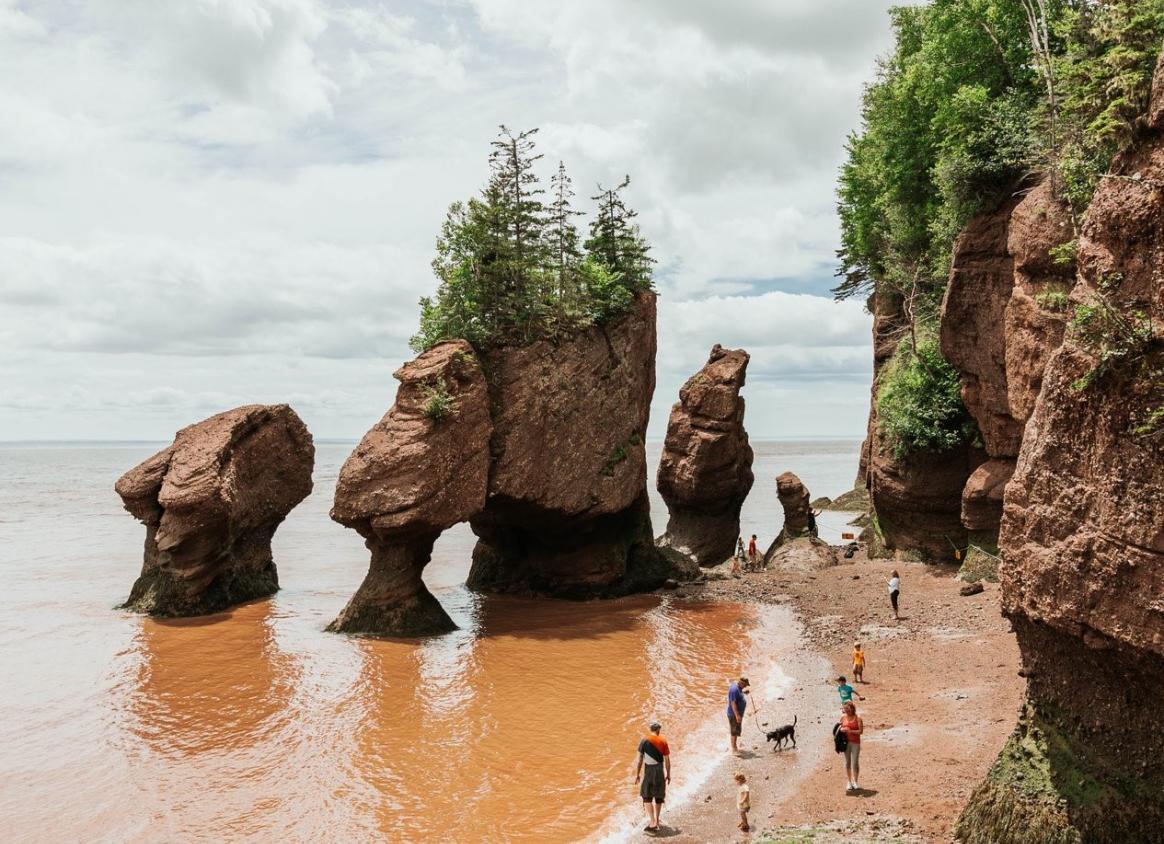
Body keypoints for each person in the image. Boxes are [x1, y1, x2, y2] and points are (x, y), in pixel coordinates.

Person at [633, 721, 671, 833]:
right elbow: (667, 760)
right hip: (659, 770)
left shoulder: (644, 741)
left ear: (651, 730)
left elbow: (640, 760)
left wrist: (637, 775)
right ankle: (657, 820)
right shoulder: (663, 741)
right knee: (659, 796)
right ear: (658, 730)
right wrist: (668, 774)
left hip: (648, 770)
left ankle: (652, 821)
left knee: (646, 795)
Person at [840, 701, 864, 791]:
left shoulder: (858, 718)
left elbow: (861, 731)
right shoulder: (843, 717)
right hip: (845, 743)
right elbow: (839, 728)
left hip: (855, 743)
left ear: (852, 709)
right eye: (845, 709)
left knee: (855, 763)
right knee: (847, 763)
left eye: (848, 709)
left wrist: (851, 731)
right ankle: (849, 781)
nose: (846, 711)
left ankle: (855, 781)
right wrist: (843, 729)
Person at [727, 676, 750, 754]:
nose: (745, 686)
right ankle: (733, 749)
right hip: (734, 714)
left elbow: (737, 696)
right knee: (734, 731)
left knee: (736, 730)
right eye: (745, 685)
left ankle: (735, 746)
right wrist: (737, 715)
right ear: (741, 683)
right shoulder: (734, 690)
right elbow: (733, 703)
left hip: (738, 714)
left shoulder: (738, 688)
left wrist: (743, 692)